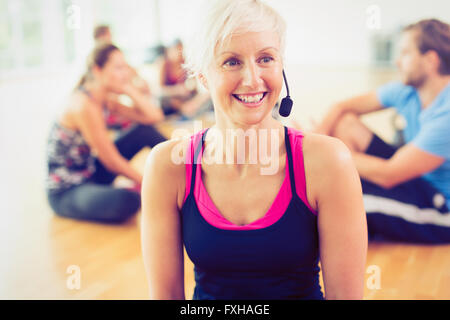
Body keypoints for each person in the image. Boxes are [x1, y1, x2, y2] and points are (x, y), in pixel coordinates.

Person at [141, 0, 367, 300]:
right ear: (203, 77)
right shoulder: (168, 166)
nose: (252, 79)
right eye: (231, 61)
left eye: (265, 59)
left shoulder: (328, 161)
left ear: (281, 65)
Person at [309, 19, 450, 243]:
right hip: (413, 180)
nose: (396, 62)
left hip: (440, 208)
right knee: (345, 123)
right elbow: (341, 107)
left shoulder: (446, 116)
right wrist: (316, 139)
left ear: (431, 60)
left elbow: (388, 174)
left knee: (344, 202)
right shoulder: (408, 91)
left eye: (405, 53)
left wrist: (326, 155)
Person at [46, 43, 166, 224]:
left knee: (143, 132)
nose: (125, 73)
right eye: (118, 68)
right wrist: (151, 186)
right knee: (128, 201)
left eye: (125, 67)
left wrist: (129, 89)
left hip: (91, 172)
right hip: (67, 191)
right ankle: (160, 188)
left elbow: (154, 117)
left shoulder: (106, 101)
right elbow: (110, 161)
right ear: (97, 70)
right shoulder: (83, 105)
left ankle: (185, 172)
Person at [158, 39, 212, 117]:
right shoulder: (163, 64)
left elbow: (194, 89)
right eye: (177, 50)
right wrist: (177, 90)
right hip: (172, 99)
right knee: (162, 98)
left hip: (187, 99)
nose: (179, 53)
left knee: (208, 96)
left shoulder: (186, 64)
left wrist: (194, 100)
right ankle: (185, 110)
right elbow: (159, 89)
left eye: (181, 50)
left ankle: (189, 111)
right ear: (169, 51)